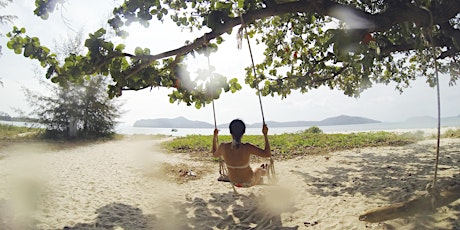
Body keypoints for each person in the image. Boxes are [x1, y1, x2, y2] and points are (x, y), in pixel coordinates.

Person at [212, 119, 271, 187]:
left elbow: (214, 154)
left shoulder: (223, 146)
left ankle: (261, 176)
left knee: (252, 169)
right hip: (248, 182)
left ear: (230, 132)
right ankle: (265, 171)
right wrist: (265, 134)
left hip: (233, 182)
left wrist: (215, 136)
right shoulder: (247, 147)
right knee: (258, 170)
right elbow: (267, 154)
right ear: (243, 132)